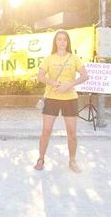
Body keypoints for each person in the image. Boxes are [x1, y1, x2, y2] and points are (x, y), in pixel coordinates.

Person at [34, 30, 89, 173]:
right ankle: (41, 158)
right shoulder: (49, 58)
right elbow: (40, 76)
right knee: (46, 131)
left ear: (68, 42)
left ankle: (72, 161)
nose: (62, 42)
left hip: (70, 99)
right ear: (55, 42)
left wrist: (68, 85)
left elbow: (85, 76)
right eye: (59, 39)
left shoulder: (74, 58)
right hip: (52, 98)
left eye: (65, 39)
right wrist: (52, 81)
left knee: (72, 133)